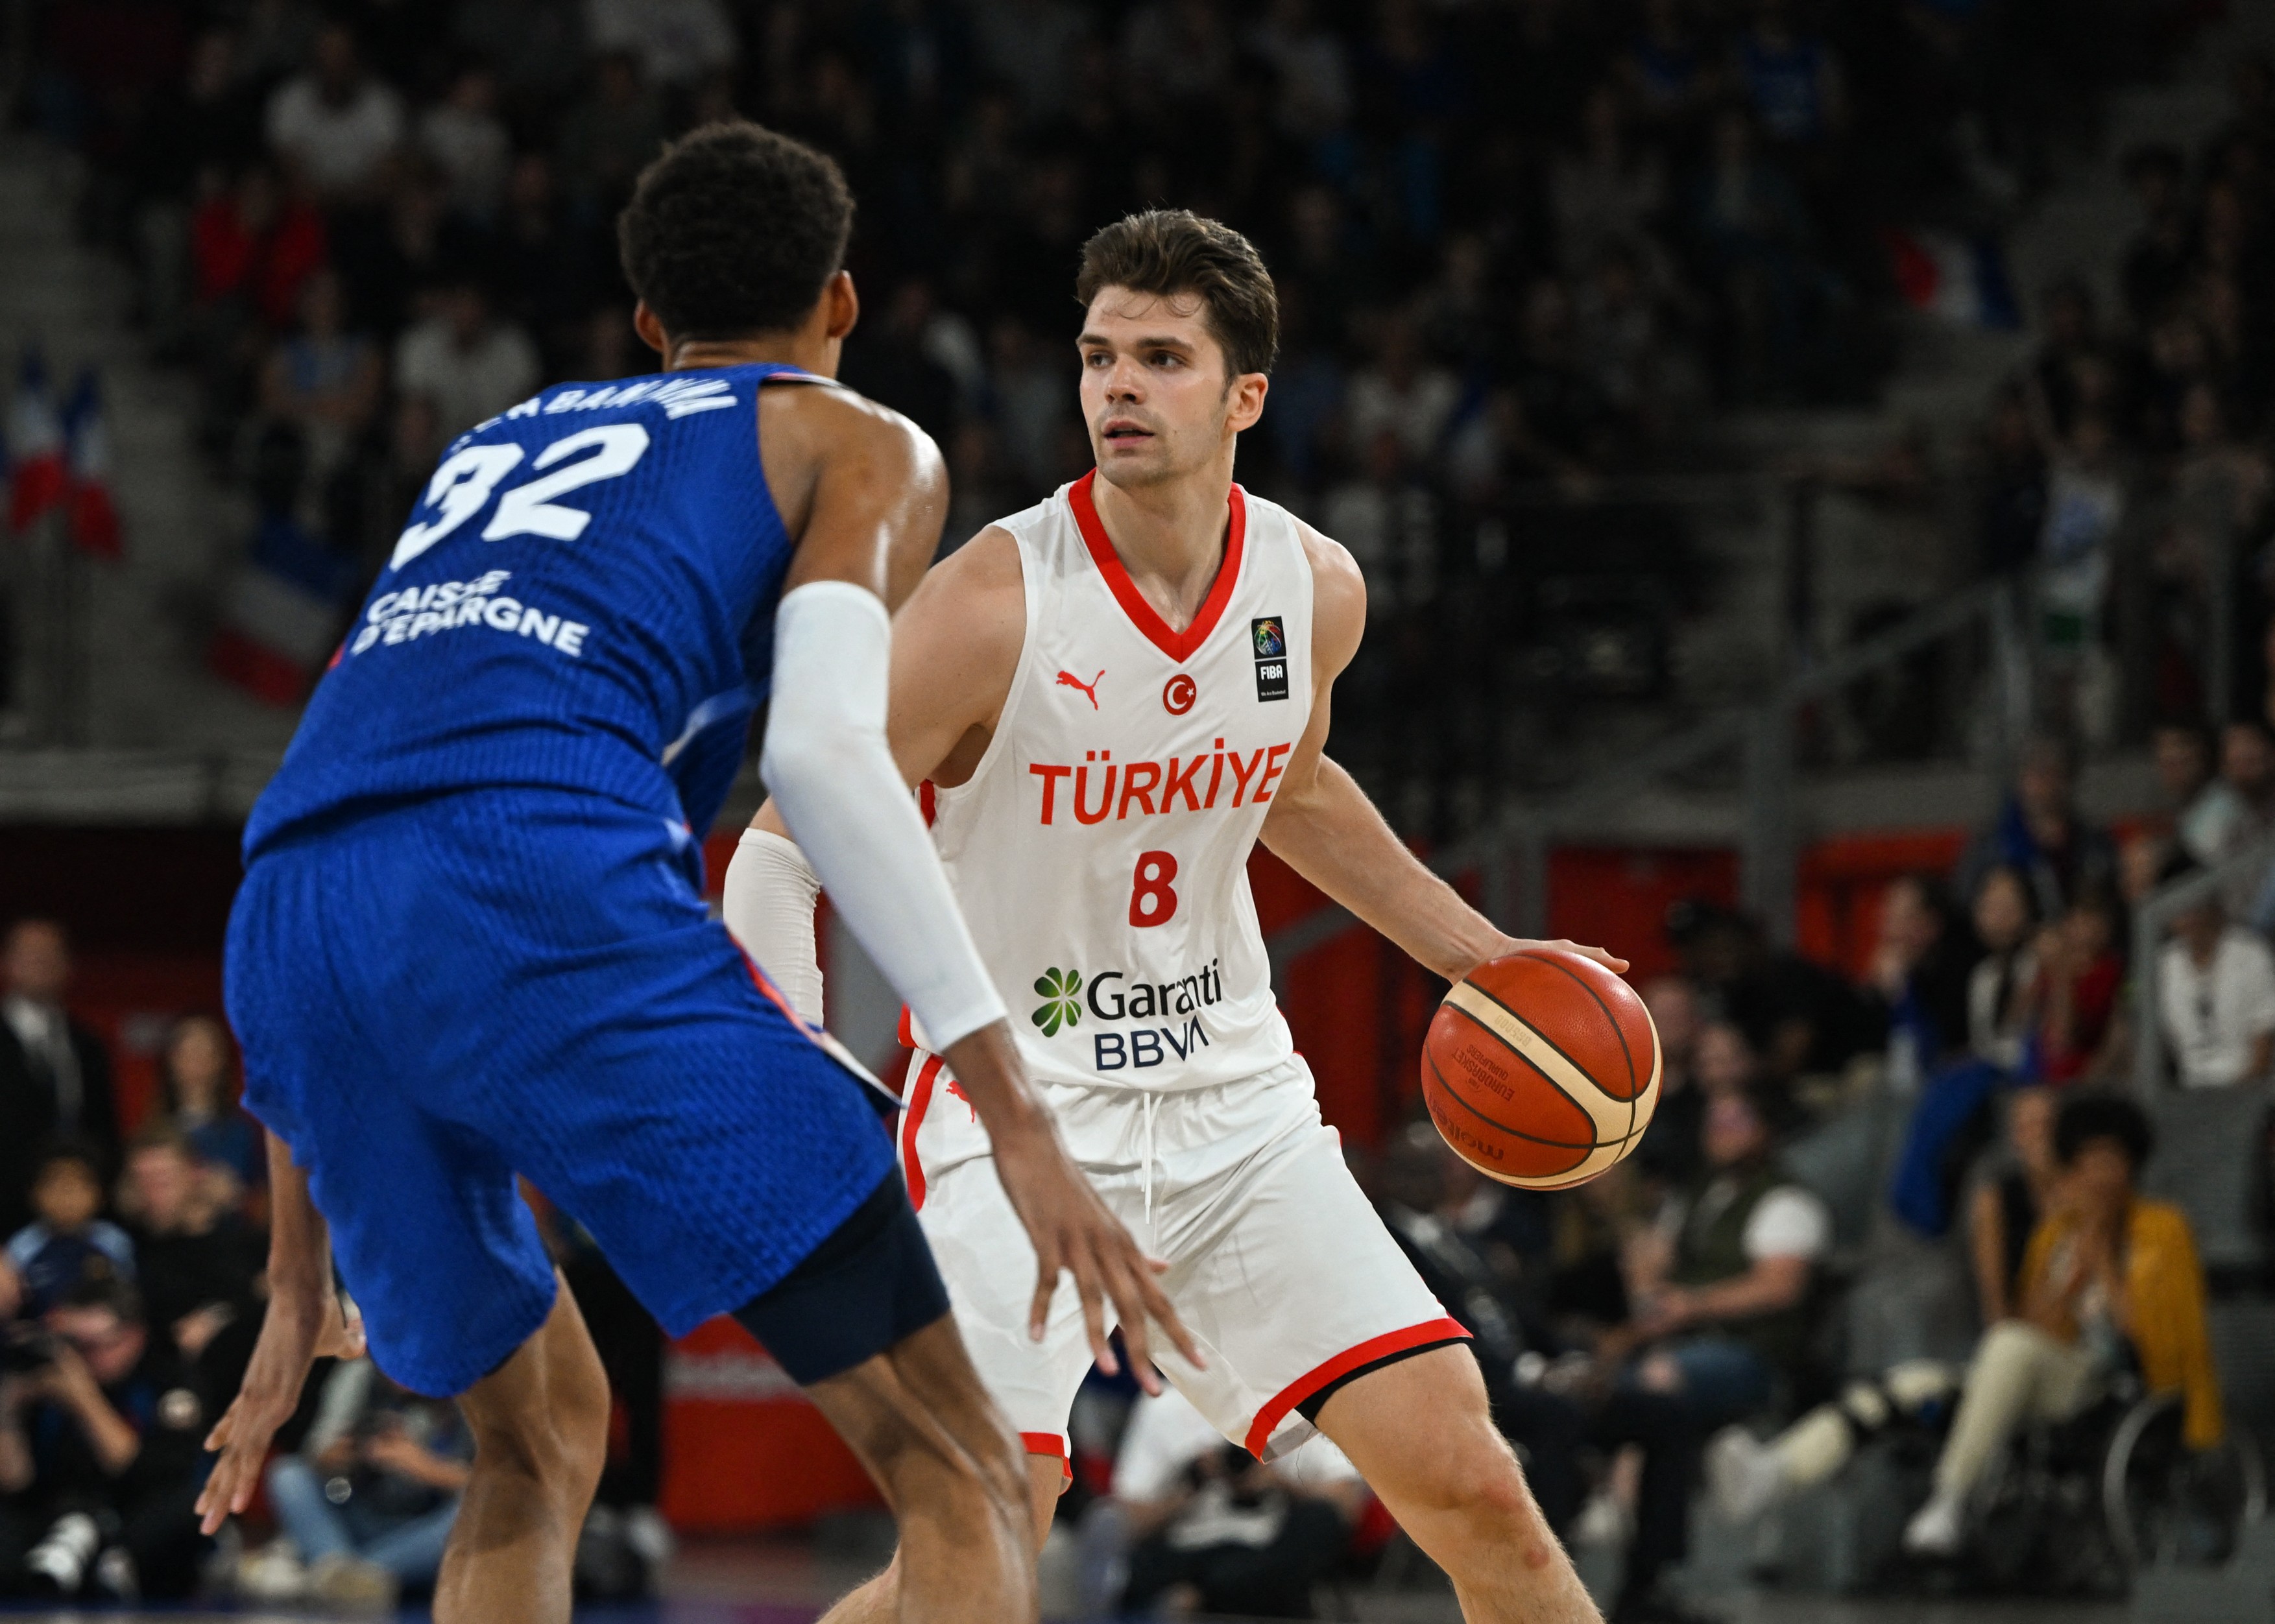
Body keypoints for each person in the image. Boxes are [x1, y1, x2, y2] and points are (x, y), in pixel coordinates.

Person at [206, 122, 1188, 1624]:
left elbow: (351, 830)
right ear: (842, 306)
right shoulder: (852, 438)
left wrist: (293, 1279)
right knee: (966, 1468)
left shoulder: (495, 443)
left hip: (288, 910)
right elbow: (823, 756)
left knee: (534, 1446)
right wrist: (1014, 1100)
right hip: (532, 880)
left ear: (650, 325)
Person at [734, 209, 1611, 1623]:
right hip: (1019, 1124)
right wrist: (795, 1078)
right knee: (976, 1556)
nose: (1117, 388)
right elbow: (776, 850)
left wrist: (1489, 960)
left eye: (1159, 357)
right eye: (1096, 357)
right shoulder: (989, 602)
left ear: (1245, 395)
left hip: (1236, 1112)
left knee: (1477, 1489)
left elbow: (1296, 785)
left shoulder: (1313, 586)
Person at [1903, 1094, 2222, 1555]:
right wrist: (2068, 1282)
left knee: (2008, 1346)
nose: (2098, 1177)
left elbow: (2160, 1339)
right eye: (2085, 1164)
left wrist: (2105, 1271)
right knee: (1920, 1381)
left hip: (2128, 1382)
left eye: (2109, 1162)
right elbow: (2033, 1329)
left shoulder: (2162, 1230)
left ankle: (1951, 1497)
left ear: (2131, 1166)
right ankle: (1780, 1473)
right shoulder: (2054, 1235)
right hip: (2060, 1377)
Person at [0, 1279, 215, 1600]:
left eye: (93, 1346)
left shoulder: (167, 1375)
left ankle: (102, 1559)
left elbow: (139, 1470)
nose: (80, 1358)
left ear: (134, 1337)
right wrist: (8, 1413)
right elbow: (16, 1483)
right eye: (71, 1344)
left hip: (135, 1515)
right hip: (55, 1511)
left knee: (192, 1506)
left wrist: (83, 1398)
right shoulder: (46, 1375)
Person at [254, 1358, 475, 1608]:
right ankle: (341, 1569)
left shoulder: (470, 1387)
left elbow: (490, 1488)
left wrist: (423, 1466)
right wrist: (342, 1454)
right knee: (288, 1474)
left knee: (473, 1515)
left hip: (423, 1530)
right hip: (360, 1514)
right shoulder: (358, 1376)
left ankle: (351, 1576)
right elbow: (316, 1455)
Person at [0, 921, 121, 1236]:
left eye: (51, 953)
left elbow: (105, 1131)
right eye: (30, 953)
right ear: (7, 962)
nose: (42, 962)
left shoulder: (89, 1045)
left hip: (82, 1225)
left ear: (68, 965)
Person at [2158, 855, 2275, 1087]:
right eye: (2178, 909)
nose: (2186, 918)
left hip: (2250, 1093)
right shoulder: (2165, 964)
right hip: (2190, 1094)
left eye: (2192, 906)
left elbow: (2265, 1049)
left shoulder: (2250, 954)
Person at [0, 1145, 136, 1319]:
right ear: (35, 1195)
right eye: (55, 1187)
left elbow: (131, 1301)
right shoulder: (21, 1248)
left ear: (100, 1195)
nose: (66, 1197)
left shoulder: (115, 1242)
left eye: (77, 1186)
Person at [155, 1014, 262, 1194]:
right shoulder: (153, 1126)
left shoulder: (242, 1131)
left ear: (221, 1061)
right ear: (171, 1059)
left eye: (205, 1051)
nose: (196, 1061)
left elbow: (259, 1193)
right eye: (187, 1051)